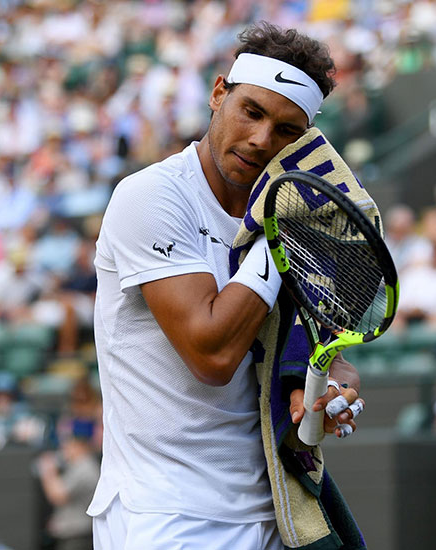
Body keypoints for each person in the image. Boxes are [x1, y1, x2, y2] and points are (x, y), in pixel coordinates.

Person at [88, 21, 364, 550]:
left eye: (286, 131)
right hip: (166, 516)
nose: (262, 140)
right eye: (252, 112)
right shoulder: (150, 196)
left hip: (280, 514)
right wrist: (283, 236)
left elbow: (314, 343)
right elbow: (212, 354)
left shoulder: (290, 215)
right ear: (219, 94)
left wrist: (335, 387)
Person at [37, 421, 100, 550]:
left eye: (68, 442)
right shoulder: (76, 466)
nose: (64, 447)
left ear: (79, 444)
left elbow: (58, 496)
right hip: (71, 534)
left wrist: (48, 471)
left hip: (79, 535)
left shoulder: (85, 466)